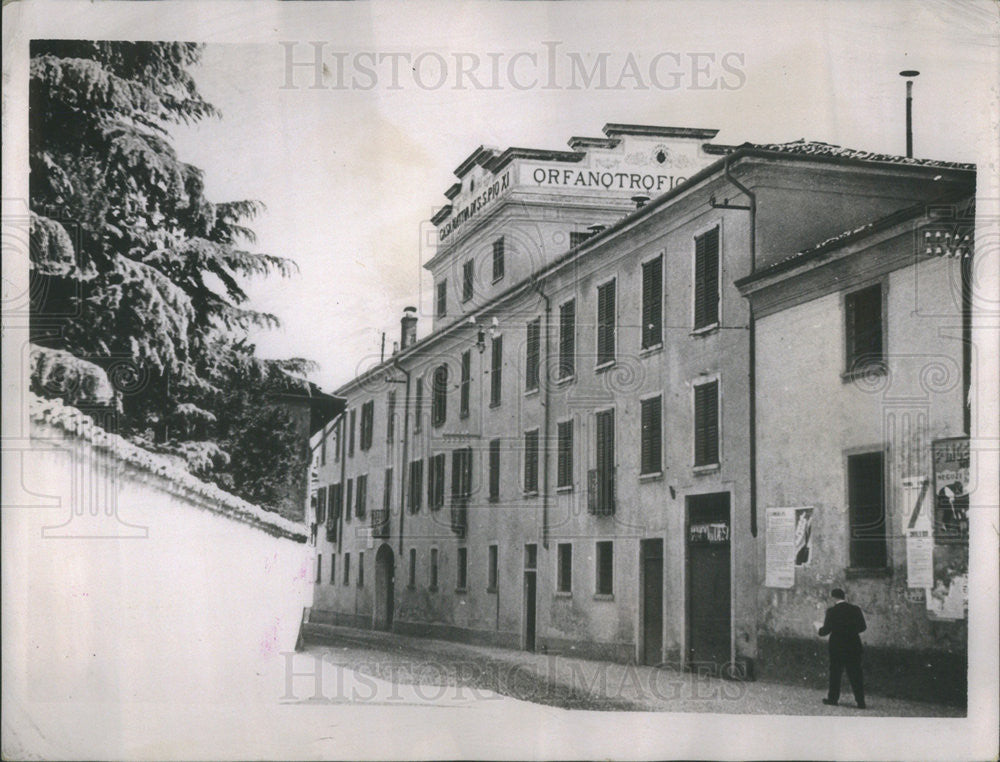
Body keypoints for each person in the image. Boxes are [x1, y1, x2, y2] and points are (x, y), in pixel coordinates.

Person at [816, 588, 867, 708]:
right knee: (855, 673)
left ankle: (833, 699)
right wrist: (850, 631)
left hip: (837, 647)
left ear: (834, 598)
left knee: (835, 673)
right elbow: (862, 627)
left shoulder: (832, 611)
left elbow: (825, 631)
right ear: (843, 597)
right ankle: (861, 701)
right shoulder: (855, 609)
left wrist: (819, 629)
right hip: (853, 646)